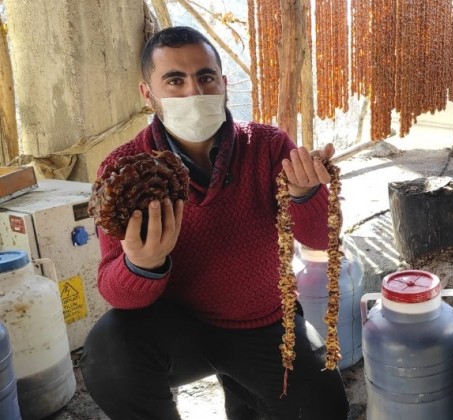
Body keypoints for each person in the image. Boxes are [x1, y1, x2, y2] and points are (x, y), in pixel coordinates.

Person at [80, 26, 349, 420]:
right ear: (147, 93)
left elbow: (320, 239)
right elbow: (116, 292)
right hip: (179, 327)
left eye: (205, 77)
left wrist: (305, 194)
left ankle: (244, 393)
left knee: (324, 409)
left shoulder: (269, 146)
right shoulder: (124, 170)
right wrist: (141, 264)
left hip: (264, 322)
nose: (194, 92)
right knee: (109, 354)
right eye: (175, 80)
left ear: (223, 84)